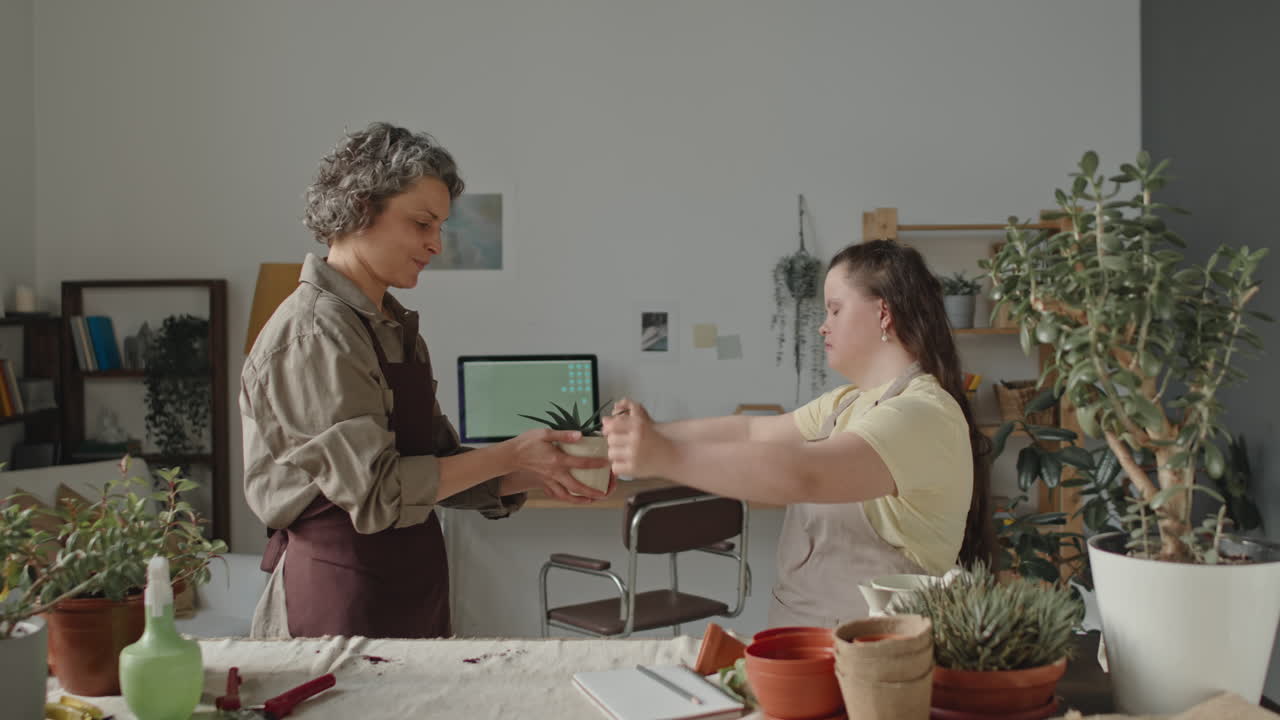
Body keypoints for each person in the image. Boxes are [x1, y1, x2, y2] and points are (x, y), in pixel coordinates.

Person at [241, 122, 612, 639]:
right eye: (422, 224)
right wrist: (511, 454)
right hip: (337, 597)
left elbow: (439, 471)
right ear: (361, 207)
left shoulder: (391, 327)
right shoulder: (314, 334)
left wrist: (544, 471)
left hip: (408, 586)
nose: (436, 244)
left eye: (440, 227)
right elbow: (378, 494)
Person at [603, 240, 994, 627]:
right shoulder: (846, 403)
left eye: (835, 309)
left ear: (883, 313)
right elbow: (753, 431)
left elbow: (803, 474)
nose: (823, 325)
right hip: (803, 641)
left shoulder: (920, 414)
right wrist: (655, 433)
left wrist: (665, 457)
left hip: (872, 658)